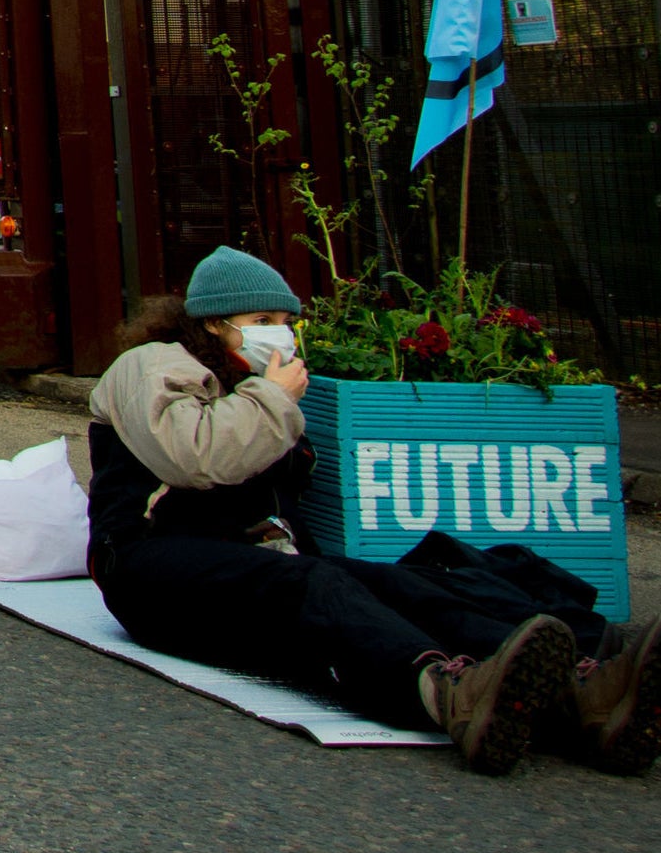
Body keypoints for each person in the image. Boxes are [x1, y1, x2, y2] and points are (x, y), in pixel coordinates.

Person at [90, 246, 661, 776]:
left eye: (286, 321)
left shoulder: (255, 382)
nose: (280, 334)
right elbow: (195, 456)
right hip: (146, 565)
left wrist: (271, 398)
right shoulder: (154, 364)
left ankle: (578, 696)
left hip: (241, 560)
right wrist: (273, 397)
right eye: (261, 322)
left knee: (404, 584)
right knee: (313, 584)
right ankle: (446, 694)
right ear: (214, 323)